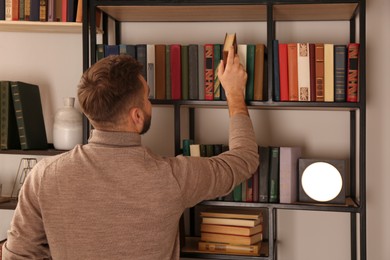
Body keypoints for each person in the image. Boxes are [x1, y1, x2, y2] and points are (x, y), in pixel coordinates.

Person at [2, 46, 259, 260]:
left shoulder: (44, 175)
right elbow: (244, 159)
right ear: (136, 117)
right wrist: (235, 93)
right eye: (147, 97)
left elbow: (18, 255)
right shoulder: (173, 177)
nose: (150, 103)